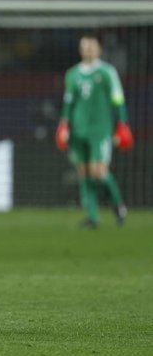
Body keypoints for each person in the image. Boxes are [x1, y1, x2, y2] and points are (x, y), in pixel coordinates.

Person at [55, 34, 133, 229]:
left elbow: (118, 99)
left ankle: (118, 205)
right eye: (84, 46)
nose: (88, 49)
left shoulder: (107, 72)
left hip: (100, 130)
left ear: (98, 49)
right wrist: (64, 124)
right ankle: (92, 216)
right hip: (78, 129)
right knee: (84, 172)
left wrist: (122, 124)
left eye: (91, 46)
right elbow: (68, 102)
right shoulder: (72, 74)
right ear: (80, 50)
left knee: (99, 171)